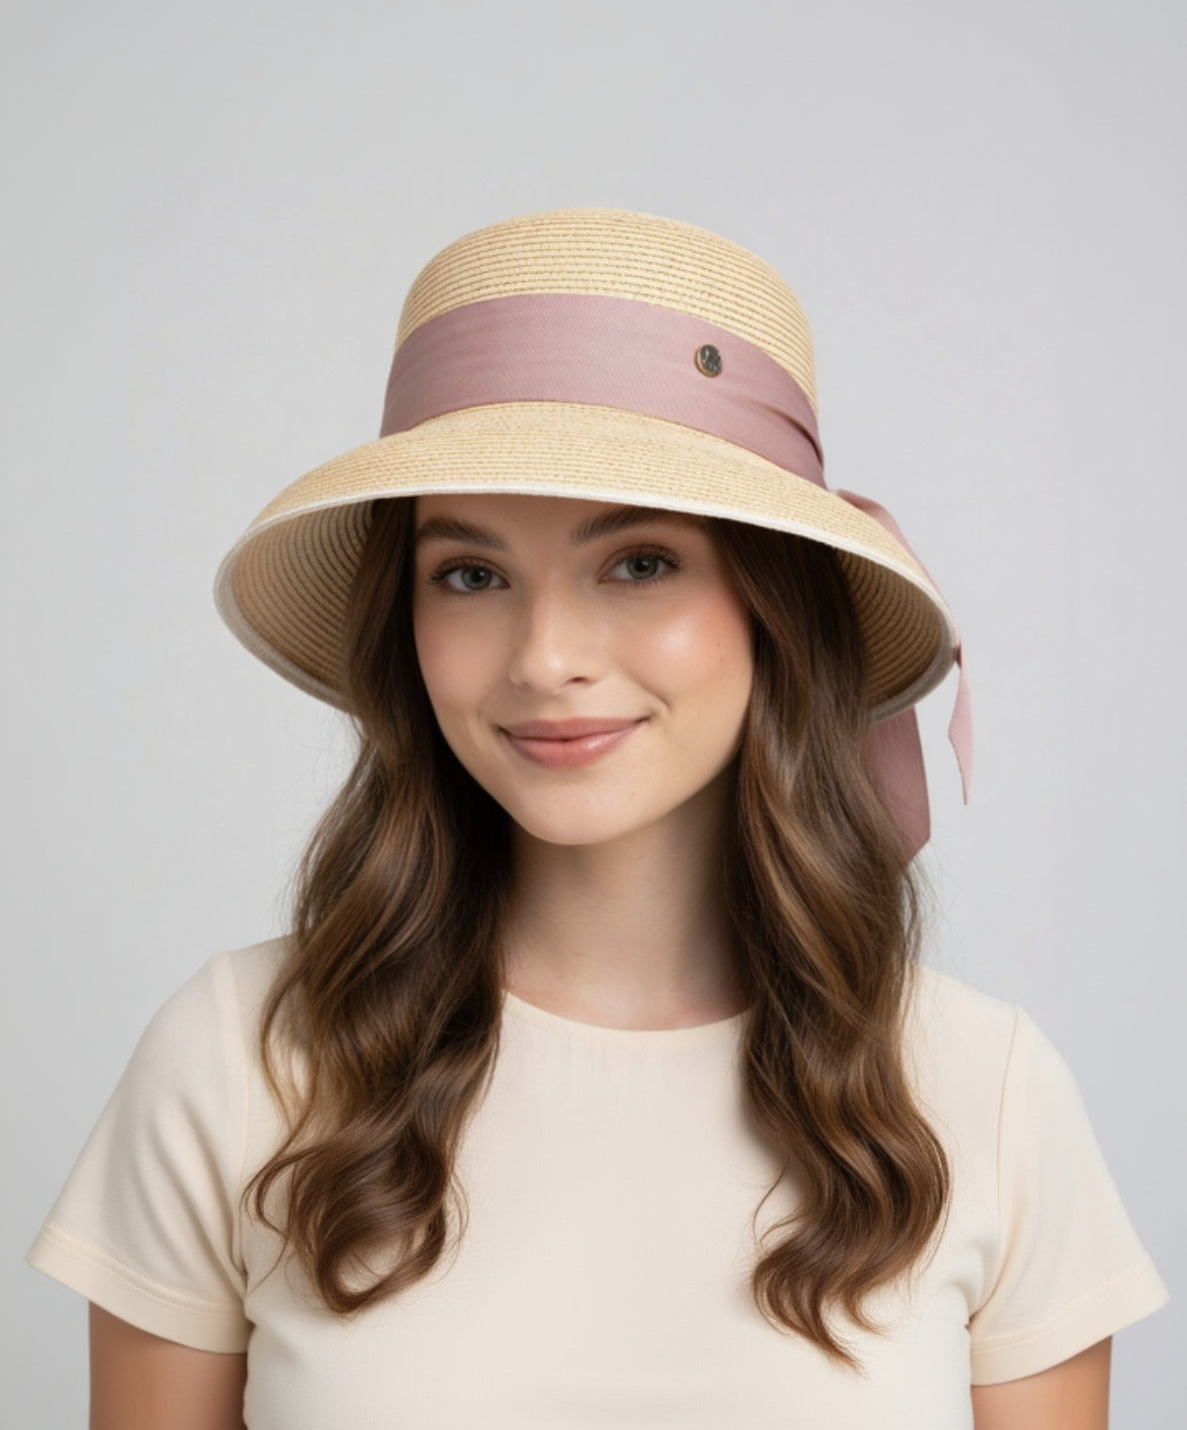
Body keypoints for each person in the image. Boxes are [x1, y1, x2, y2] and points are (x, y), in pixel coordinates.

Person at [27, 207, 1168, 1428]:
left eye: (637, 563)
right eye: (470, 574)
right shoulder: (239, 1062)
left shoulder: (980, 1094)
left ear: (767, 603)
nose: (546, 656)